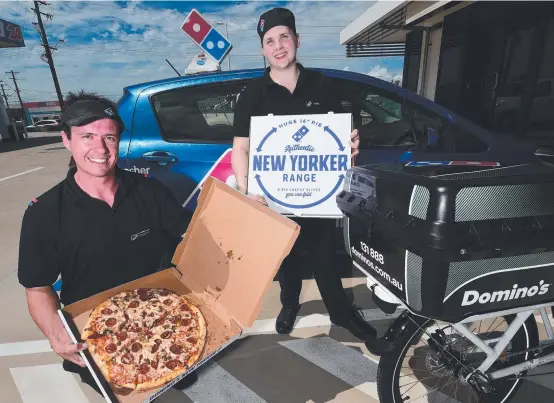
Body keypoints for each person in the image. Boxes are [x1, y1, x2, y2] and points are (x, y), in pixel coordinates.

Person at [17, 91, 198, 395]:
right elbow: (37, 287)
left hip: (167, 323)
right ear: (66, 139)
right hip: (101, 335)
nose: (100, 148)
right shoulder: (45, 213)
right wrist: (54, 332)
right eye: (87, 136)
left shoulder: (150, 192)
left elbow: (194, 239)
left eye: (109, 138)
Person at [232, 7, 391, 353]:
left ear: (296, 40)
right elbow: (240, 149)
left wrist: (352, 146)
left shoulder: (324, 85)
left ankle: (340, 313)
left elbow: (344, 137)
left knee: (323, 254)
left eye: (284, 37)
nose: (278, 46)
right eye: (270, 41)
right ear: (263, 49)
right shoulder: (253, 95)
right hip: (274, 196)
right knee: (286, 255)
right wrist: (247, 191)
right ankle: (289, 305)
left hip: (317, 196)